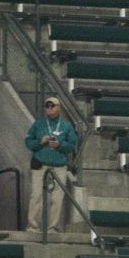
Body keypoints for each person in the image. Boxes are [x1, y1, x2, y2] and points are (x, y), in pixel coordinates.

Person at [25, 96, 78, 234]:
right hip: (40, 163)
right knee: (36, 195)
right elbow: (28, 142)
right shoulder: (38, 124)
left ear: (59, 107)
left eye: (53, 106)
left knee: (57, 197)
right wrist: (40, 142)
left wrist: (60, 145)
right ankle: (33, 227)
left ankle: (52, 227)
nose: (50, 108)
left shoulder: (66, 125)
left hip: (59, 164)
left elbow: (72, 145)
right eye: (47, 106)